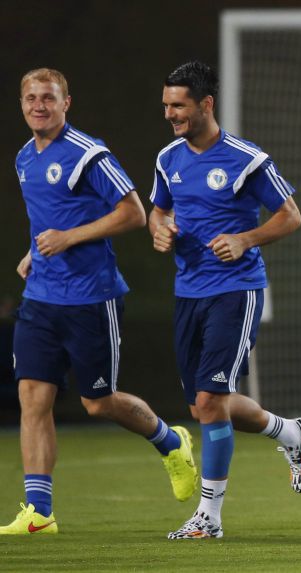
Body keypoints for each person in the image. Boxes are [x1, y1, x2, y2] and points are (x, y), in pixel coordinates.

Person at [0, 68, 197, 536]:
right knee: (33, 397)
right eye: (30, 98)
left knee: (98, 402)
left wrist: (68, 238)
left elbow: (132, 211)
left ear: (67, 102)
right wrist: (34, 251)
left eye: (48, 98)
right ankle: (39, 513)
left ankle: (170, 440)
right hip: (41, 300)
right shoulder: (26, 156)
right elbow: (49, 215)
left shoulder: (89, 153)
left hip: (92, 298)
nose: (38, 106)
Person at [149, 61, 301, 540]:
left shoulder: (246, 158)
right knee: (206, 405)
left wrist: (246, 239)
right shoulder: (168, 158)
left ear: (206, 104)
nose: (170, 114)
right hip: (188, 292)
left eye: (178, 105)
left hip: (235, 291)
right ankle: (288, 431)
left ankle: (209, 517)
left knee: (209, 398)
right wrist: (160, 231)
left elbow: (291, 216)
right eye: (165, 106)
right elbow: (156, 212)